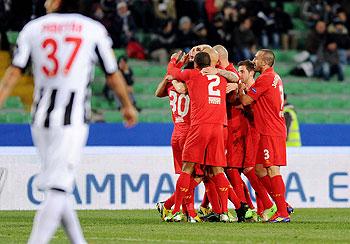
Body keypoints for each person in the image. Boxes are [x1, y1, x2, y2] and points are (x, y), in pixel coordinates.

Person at [0, 0, 138, 243]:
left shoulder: (34, 28)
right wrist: (127, 105)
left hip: (40, 118)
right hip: (72, 119)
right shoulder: (92, 29)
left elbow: (14, 71)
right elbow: (112, 73)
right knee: (58, 188)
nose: (45, 2)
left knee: (57, 184)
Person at [167, 51, 247, 222]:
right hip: (219, 128)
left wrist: (174, 60)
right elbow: (235, 77)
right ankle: (224, 213)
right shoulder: (221, 77)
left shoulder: (192, 74)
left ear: (196, 64)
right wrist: (219, 72)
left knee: (187, 168)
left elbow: (172, 73)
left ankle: (175, 211)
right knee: (217, 170)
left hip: (200, 126)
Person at [238, 49, 290, 223]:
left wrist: (239, 88)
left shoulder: (266, 78)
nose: (254, 61)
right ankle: (283, 205)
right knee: (259, 169)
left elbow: (246, 101)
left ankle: (282, 212)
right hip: (268, 129)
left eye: (256, 58)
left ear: (265, 62)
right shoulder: (274, 77)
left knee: (272, 169)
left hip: (270, 130)